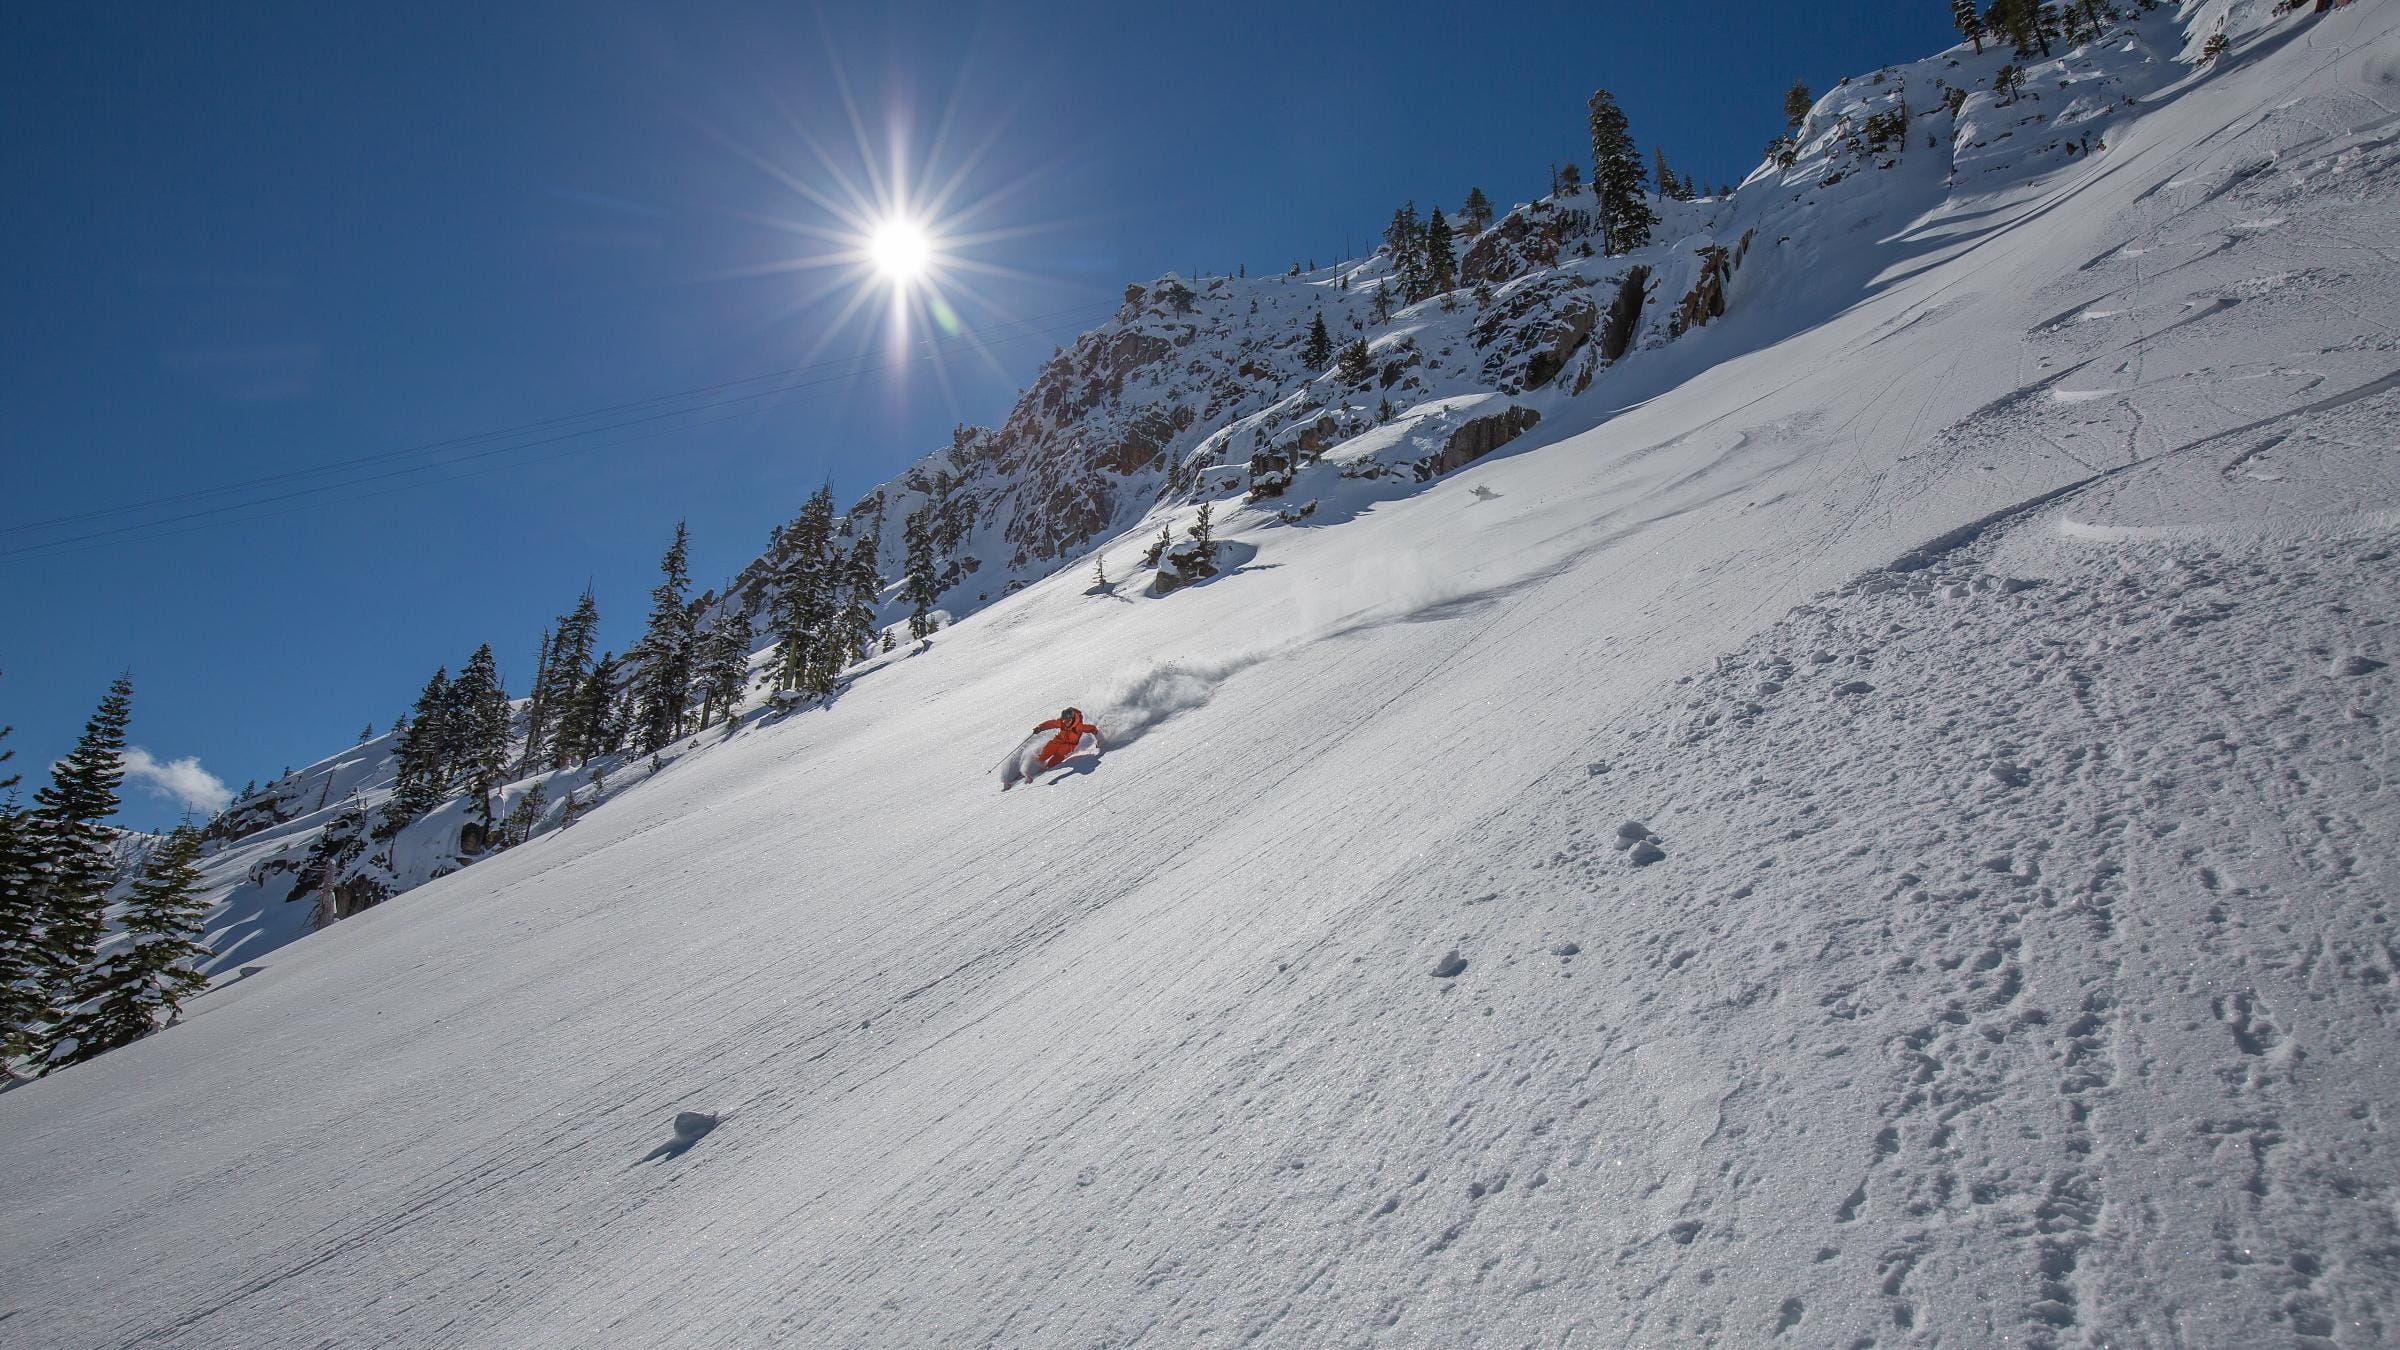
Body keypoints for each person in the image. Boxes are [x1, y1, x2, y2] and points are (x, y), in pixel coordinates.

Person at [1031, 707, 1102, 770]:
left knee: (1060, 753)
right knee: (1050, 747)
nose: (1066, 723)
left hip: (1069, 744)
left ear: (1072, 719)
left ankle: (1049, 766)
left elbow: (1092, 728)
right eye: (1064, 721)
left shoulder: (1079, 727)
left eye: (1068, 721)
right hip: (1058, 739)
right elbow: (1051, 723)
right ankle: (1038, 763)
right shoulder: (1061, 722)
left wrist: (1099, 739)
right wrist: (1040, 728)